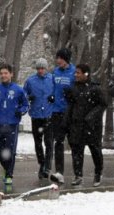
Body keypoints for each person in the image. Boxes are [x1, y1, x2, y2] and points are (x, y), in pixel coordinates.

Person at [65, 64, 107, 186]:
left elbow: (103, 104)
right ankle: (78, 175)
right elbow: (71, 105)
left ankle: (98, 173)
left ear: (86, 74)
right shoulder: (73, 88)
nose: (76, 75)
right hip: (77, 124)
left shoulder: (95, 88)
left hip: (92, 126)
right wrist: (67, 121)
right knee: (77, 151)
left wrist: (91, 116)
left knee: (95, 150)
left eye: (78, 73)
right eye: (75, 73)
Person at [0, 64, 29, 185]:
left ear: (11, 74)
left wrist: (20, 111)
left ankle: (9, 174)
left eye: (6, 73)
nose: (4, 75)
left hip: (12, 124)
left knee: (10, 151)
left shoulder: (18, 90)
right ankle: (7, 168)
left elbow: (26, 105)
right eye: (2, 73)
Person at [23, 58, 55, 181]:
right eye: (39, 68)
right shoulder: (30, 81)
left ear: (46, 68)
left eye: (43, 68)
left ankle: (47, 167)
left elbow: (58, 93)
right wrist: (28, 97)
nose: (41, 70)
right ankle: (41, 163)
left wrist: (54, 97)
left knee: (49, 142)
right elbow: (23, 94)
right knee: (38, 143)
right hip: (36, 115)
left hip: (48, 115)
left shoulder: (52, 79)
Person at [51, 48, 75, 181]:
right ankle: (59, 172)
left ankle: (78, 173)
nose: (58, 60)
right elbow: (53, 88)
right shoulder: (55, 72)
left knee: (73, 143)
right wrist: (52, 97)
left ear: (66, 59)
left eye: (60, 58)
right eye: (57, 57)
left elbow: (78, 90)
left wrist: (72, 96)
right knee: (58, 142)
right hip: (57, 112)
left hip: (70, 112)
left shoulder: (74, 72)